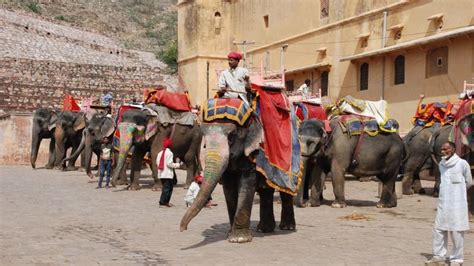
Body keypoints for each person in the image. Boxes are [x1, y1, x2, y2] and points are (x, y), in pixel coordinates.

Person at [425, 142, 472, 265]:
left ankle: (457, 258)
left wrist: (458, 193)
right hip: (443, 203)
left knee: (457, 232)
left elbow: (469, 182)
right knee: (439, 230)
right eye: (442, 149)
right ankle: (438, 256)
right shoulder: (441, 164)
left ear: (452, 150)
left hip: (458, 204)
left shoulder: (462, 164)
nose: (442, 151)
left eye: (445, 149)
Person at [157, 138, 182, 207]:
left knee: (165, 188)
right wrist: (177, 165)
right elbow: (169, 163)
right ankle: (162, 202)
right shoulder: (170, 153)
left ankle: (166, 202)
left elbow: (157, 162)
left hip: (161, 173)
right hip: (167, 174)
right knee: (167, 188)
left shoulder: (160, 153)